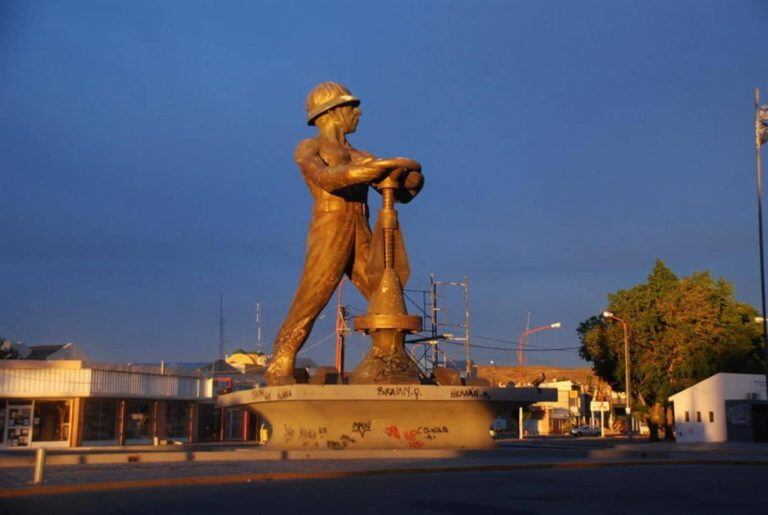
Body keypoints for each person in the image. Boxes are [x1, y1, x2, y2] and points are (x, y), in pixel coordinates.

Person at [265, 81, 423, 384]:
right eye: (353, 107)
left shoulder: (362, 155)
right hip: (330, 226)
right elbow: (326, 178)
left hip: (361, 227)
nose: (359, 113)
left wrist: (411, 180)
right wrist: (374, 169)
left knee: (385, 293)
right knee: (314, 294)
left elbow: (398, 193)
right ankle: (280, 361)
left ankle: (391, 362)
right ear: (335, 111)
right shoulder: (310, 147)